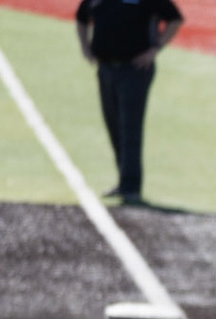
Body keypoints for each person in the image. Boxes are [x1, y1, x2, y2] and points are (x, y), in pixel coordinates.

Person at [75, 0, 182, 206]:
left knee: (130, 127)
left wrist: (155, 49)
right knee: (113, 124)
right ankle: (124, 180)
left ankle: (131, 187)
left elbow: (174, 19)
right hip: (106, 67)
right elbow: (81, 17)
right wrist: (85, 46)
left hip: (135, 70)